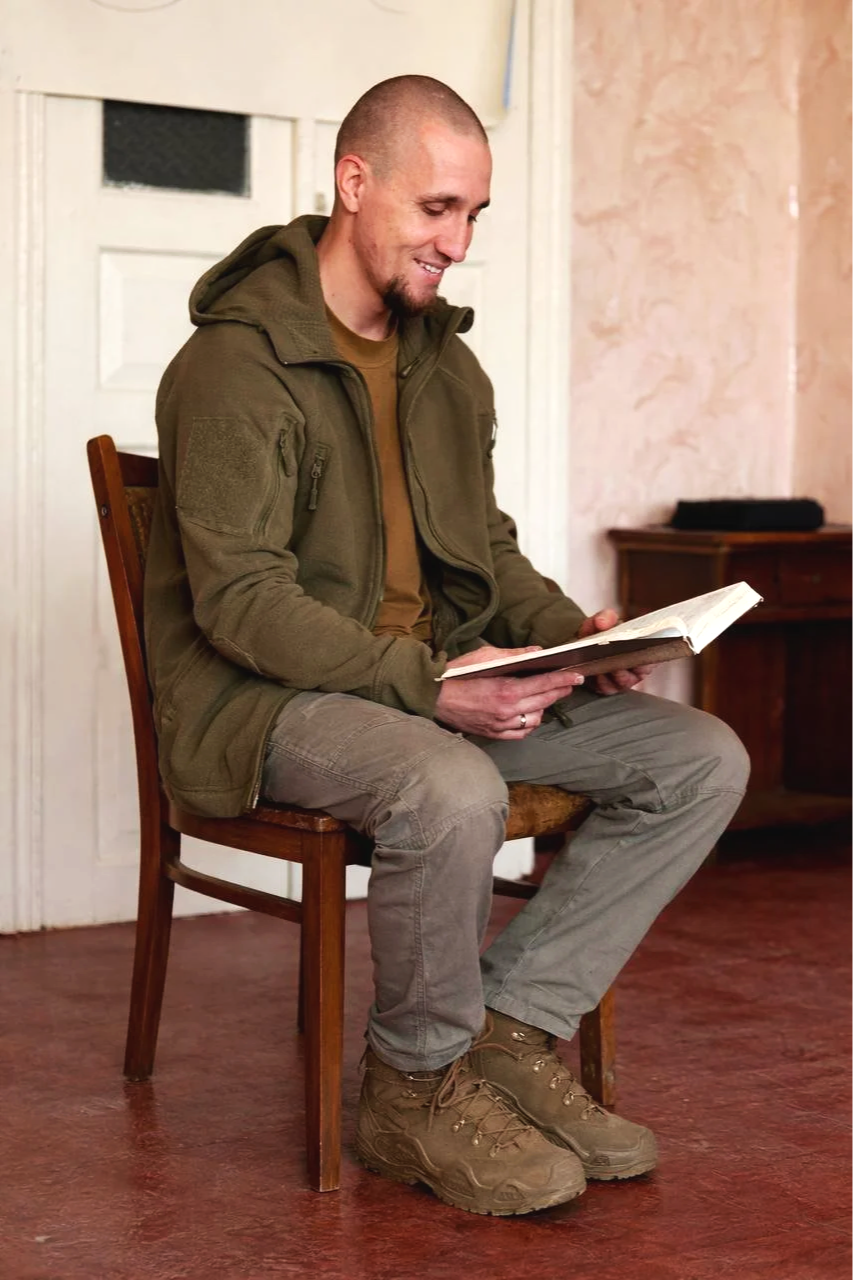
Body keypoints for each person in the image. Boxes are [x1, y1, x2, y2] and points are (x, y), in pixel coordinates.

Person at [145, 74, 749, 1217]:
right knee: (449, 780)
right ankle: (412, 1087)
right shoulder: (233, 366)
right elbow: (241, 604)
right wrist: (428, 685)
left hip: (428, 687)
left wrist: (571, 635)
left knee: (696, 756)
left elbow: (488, 552)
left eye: (473, 214)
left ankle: (508, 1032)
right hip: (264, 701)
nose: (457, 243)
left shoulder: (446, 369)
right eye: (436, 209)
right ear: (353, 181)